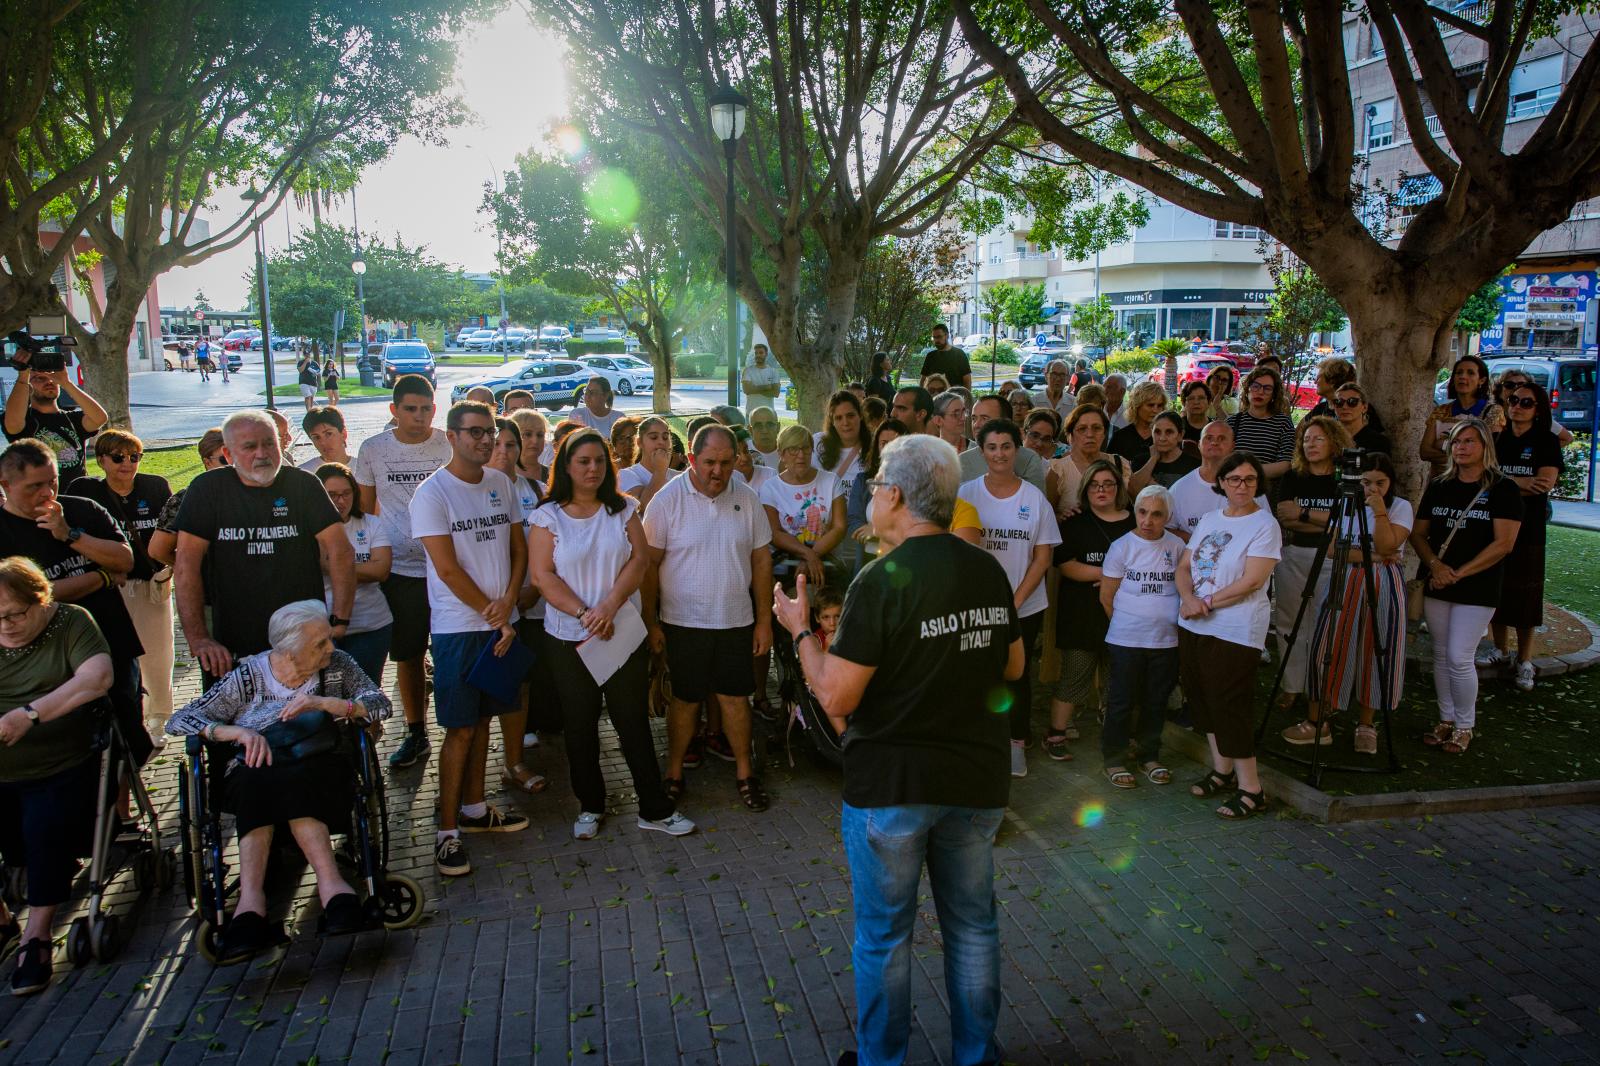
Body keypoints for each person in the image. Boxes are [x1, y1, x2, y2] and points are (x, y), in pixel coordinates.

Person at [770, 433, 1022, 1066]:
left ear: (900, 496)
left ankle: (883, 1060)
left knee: (885, 936)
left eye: (879, 482)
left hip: (894, 788)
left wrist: (801, 629)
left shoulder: (882, 580)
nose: (873, 493)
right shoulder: (985, 568)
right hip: (975, 780)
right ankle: (976, 1055)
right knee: (972, 926)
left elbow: (834, 697)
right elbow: (1014, 665)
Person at [164, 601, 392, 962]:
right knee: (259, 779)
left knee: (292, 778)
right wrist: (234, 732)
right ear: (286, 651)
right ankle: (265, 899)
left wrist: (327, 705)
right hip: (257, 772)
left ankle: (318, 888)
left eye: (328, 640)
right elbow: (181, 719)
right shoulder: (248, 676)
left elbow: (380, 703)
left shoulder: (338, 666)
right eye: (319, 644)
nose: (330, 649)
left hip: (322, 767)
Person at [528, 429, 696, 840]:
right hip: (570, 637)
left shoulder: (624, 510)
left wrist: (608, 606)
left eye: (599, 461)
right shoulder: (546, 517)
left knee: (632, 722)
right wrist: (585, 613)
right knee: (580, 725)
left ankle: (653, 808)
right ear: (566, 466)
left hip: (622, 633)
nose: (592, 469)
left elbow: (639, 560)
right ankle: (590, 805)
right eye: (583, 461)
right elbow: (542, 575)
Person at [411, 400, 532, 877]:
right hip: (459, 630)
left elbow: (518, 549)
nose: (485, 441)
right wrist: (495, 613)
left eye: (491, 433)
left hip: (499, 622)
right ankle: (446, 833)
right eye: (475, 432)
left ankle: (476, 810)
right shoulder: (432, 494)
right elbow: (446, 568)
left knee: (483, 723)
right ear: (452, 436)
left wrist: (508, 605)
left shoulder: (502, 484)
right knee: (459, 729)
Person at [642, 425, 774, 811]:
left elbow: (762, 559)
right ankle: (674, 773)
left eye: (726, 463)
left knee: (736, 700)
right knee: (685, 702)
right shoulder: (667, 502)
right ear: (693, 459)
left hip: (735, 620)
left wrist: (764, 620)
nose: (718, 471)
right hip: (683, 622)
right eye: (710, 462)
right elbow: (648, 566)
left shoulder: (747, 498)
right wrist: (651, 622)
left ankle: (746, 775)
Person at [0, 557, 114, 995]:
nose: (7, 626)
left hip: (60, 762)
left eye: (16, 614)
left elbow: (96, 677)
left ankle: (38, 935)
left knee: (44, 830)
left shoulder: (70, 622)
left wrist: (30, 714)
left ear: (41, 600)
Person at [174, 411, 353, 686]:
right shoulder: (208, 489)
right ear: (228, 453)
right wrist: (199, 639)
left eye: (269, 443)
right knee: (232, 724)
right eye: (249, 446)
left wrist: (339, 618)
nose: (262, 453)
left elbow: (340, 550)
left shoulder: (303, 484)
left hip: (303, 643)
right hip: (232, 645)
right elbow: (186, 565)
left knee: (307, 721)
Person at [1, 440, 149, 763]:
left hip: (113, 641)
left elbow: (125, 561)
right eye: (34, 486)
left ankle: (122, 813)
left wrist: (70, 534)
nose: (47, 493)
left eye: (52, 481)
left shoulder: (82, 509)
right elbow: (30, 597)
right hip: (44, 660)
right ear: (6, 485)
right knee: (73, 746)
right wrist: (101, 578)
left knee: (124, 742)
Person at [354, 375, 454, 769]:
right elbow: (365, 512)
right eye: (410, 409)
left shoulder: (449, 443)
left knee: (449, 653)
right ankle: (416, 732)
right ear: (393, 410)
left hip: (449, 569)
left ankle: (459, 726)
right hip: (399, 570)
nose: (419, 416)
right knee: (409, 655)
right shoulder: (373, 449)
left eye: (426, 408)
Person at [1176, 451, 1281, 818]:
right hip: (1194, 621)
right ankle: (1222, 770)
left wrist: (1205, 602)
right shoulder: (1209, 518)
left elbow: (1253, 580)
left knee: (1230, 705)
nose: (1242, 485)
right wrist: (1189, 598)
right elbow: (1185, 565)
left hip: (1236, 629)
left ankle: (1252, 788)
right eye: (1234, 479)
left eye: (1249, 479)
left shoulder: (1264, 525)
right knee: (1202, 699)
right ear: (1221, 482)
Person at [1410, 418, 1521, 755]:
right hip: (1439, 581)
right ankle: (1445, 719)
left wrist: (1459, 573)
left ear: (1485, 446)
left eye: (1469, 441)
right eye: (1456, 441)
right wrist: (1435, 565)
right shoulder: (1441, 485)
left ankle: (1464, 725)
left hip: (1477, 587)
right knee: (1441, 655)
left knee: (1460, 656)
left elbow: (1504, 544)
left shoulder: (1503, 488)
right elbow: (1418, 533)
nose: (1461, 447)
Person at [959, 419, 1060, 777]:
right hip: (977, 609)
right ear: (981, 451)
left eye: (1006, 446)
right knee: (978, 676)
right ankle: (981, 743)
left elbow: (1043, 558)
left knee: (1016, 677)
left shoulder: (1034, 499)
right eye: (991, 447)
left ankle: (1016, 744)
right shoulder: (966, 493)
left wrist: (1013, 602)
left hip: (1024, 606)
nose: (999, 453)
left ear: (1017, 450)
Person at [66, 429, 175, 734]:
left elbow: (173, 530)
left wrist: (171, 568)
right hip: (111, 585)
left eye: (133, 457)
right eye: (117, 457)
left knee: (158, 653)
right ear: (101, 460)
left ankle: (158, 717)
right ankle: (131, 715)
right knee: (121, 654)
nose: (126, 463)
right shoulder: (87, 494)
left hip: (152, 584)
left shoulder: (154, 488)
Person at [1304, 453, 1412, 755]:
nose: (1373, 489)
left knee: (1376, 650)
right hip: (1345, 580)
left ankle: (1366, 724)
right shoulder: (1346, 504)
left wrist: (1379, 513)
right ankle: (1322, 715)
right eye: (1366, 482)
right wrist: (1374, 555)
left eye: (1380, 482)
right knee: (1328, 644)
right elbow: (1333, 552)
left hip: (1383, 586)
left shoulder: (1400, 507)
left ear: (1391, 482)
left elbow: (1390, 544)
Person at [1045, 460, 1133, 762]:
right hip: (1081, 614)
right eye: (1095, 485)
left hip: (1124, 616)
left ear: (1118, 488)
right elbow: (1066, 565)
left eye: (1108, 484)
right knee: (1074, 676)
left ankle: (1114, 732)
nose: (1102, 490)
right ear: (1086, 490)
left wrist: (1115, 581)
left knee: (1117, 677)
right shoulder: (1074, 523)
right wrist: (1107, 576)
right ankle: (1055, 733)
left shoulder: (1133, 522)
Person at [1098, 484, 1185, 787]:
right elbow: (1107, 596)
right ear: (1135, 512)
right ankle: (1114, 759)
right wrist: (1130, 625)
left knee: (1155, 701)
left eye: (1157, 514)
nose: (1148, 521)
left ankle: (1149, 755)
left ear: (1168, 516)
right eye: (1143, 512)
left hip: (1166, 641)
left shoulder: (1176, 547)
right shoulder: (1122, 546)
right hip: (1126, 640)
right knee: (1121, 701)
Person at [1272, 417, 1351, 741]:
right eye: (1306, 439)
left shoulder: (1345, 478)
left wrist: (1304, 515)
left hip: (1334, 561)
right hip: (1295, 555)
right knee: (1290, 622)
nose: (1310, 444)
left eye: (1318, 438)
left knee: (1326, 629)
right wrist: (1323, 521)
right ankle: (1292, 686)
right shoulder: (1293, 476)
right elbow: (1284, 516)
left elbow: (1347, 522)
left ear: (1333, 442)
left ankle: (1321, 694)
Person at [1481, 382, 1564, 691]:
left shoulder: (1546, 441)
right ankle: (1500, 649)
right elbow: (1485, 477)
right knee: (1496, 588)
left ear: (1539, 408)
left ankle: (1525, 660)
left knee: (1527, 595)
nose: (1516, 406)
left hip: (1529, 529)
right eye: (1513, 400)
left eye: (1525, 402)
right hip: (1494, 525)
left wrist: (1504, 480)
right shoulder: (1497, 440)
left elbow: (1544, 483)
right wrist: (1518, 481)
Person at [485, 417, 545, 793]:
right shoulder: (467, 490)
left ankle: (513, 761)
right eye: (497, 445)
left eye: (511, 446)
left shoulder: (534, 489)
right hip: (479, 610)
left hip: (523, 606)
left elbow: (547, 545)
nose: (504, 453)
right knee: (480, 694)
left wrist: (534, 588)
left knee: (518, 687)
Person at [314, 464, 393, 688]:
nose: (340, 501)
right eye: (332, 495)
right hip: (323, 627)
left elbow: (381, 570)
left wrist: (333, 565)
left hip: (371, 625)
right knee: (329, 694)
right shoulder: (308, 529)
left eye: (346, 494)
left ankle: (374, 725)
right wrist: (361, 568)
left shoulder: (371, 524)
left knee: (368, 691)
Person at [2, 350, 109, 489]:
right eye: (39, 379)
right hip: (40, 497)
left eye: (52, 378)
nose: (49, 382)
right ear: (28, 386)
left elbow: (100, 418)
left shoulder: (72, 419)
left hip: (78, 497)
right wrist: (23, 375)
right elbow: (13, 423)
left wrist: (66, 383)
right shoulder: (25, 420)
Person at [762, 423, 848, 586]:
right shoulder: (770, 487)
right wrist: (807, 555)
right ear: (781, 453)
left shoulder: (831, 481)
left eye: (806, 448)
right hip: (787, 570)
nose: (801, 455)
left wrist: (813, 555)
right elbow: (774, 533)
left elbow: (839, 527)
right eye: (793, 449)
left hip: (828, 566)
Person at [1167, 421, 1268, 541]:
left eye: (1222, 438)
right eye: (1208, 438)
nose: (1214, 443)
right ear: (1199, 445)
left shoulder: (1248, 486)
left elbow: (1265, 528)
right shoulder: (1180, 488)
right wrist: (1199, 542)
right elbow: (1165, 529)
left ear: (1232, 446)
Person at [148, 429, 227, 568]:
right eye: (225, 459)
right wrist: (196, 571)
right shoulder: (184, 498)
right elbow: (158, 550)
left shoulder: (256, 491)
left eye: (239, 456)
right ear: (207, 462)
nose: (233, 463)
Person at [1420, 355, 1501, 477]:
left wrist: (1441, 444)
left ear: (1482, 380)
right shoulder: (1440, 411)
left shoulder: (1492, 411)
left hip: (1475, 483)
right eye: (1459, 373)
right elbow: (1425, 452)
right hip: (1440, 483)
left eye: (1470, 373)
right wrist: (1464, 454)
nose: (1463, 377)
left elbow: (1488, 453)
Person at [1045, 405, 1130, 519]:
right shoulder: (1058, 470)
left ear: (1104, 433)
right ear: (1071, 435)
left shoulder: (1119, 464)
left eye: (1096, 428)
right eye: (1082, 429)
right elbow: (1045, 515)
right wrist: (1061, 518)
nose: (1090, 434)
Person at [846, 419, 906, 566]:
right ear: (877, 446)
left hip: (904, 561)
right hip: (868, 559)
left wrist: (876, 530)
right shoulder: (862, 480)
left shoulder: (916, 483)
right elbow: (853, 520)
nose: (889, 449)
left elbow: (914, 524)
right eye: (884, 443)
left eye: (895, 444)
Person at [1226, 367, 1296, 480]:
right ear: (1247, 389)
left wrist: (1248, 474)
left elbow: (1285, 464)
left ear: (1274, 394)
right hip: (1234, 488)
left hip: (1267, 491)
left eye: (1267, 388)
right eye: (1255, 386)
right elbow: (1222, 459)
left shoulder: (1283, 423)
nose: (1260, 392)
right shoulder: (1232, 422)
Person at [816, 390, 867, 499]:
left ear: (860, 415)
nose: (845, 423)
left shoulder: (875, 446)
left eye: (850, 416)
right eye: (838, 418)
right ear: (832, 422)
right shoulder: (817, 443)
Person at [1108, 380, 1168, 470]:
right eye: (1150, 405)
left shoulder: (1167, 437)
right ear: (1137, 406)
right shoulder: (1120, 437)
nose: (1155, 410)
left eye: (1159, 406)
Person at [616, 416, 675, 508]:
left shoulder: (678, 476)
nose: (661, 442)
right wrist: (659, 472)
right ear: (639, 442)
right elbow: (642, 507)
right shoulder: (626, 474)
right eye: (654, 437)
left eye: (665, 437)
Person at [1138, 411, 1200, 488]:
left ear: (1180, 435)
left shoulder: (1195, 467)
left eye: (1169, 432)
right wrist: (1153, 459)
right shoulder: (1141, 461)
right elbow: (1132, 491)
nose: (1162, 438)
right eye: (1157, 432)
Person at [1330, 383, 1392, 455]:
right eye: (1339, 402)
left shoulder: (1379, 442)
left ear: (1365, 407)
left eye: (1352, 402)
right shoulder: (1328, 439)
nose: (1344, 407)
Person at [1303, 356, 1358, 422]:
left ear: (1332, 381)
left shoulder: (1356, 409)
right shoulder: (1320, 409)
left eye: (1318, 378)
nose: (1315, 382)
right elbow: (1300, 430)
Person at [299, 406, 353, 472]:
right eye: (316, 437)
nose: (322, 442)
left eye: (329, 434)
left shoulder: (364, 467)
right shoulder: (304, 473)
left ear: (344, 434)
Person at [921, 324, 972, 390]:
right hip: (935, 398)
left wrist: (966, 398)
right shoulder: (930, 356)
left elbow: (967, 380)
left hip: (955, 398)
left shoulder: (959, 354)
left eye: (939, 337)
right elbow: (923, 380)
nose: (936, 340)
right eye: (934, 337)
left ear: (947, 336)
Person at [508, 407, 550, 484]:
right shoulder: (502, 475)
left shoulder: (554, 476)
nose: (535, 441)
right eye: (527, 434)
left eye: (540, 435)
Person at [741, 344, 784, 411]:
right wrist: (767, 387)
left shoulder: (773, 372)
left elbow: (776, 393)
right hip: (751, 413)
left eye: (761, 353)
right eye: (756, 353)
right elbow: (747, 390)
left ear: (766, 354)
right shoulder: (747, 371)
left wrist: (754, 388)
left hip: (769, 413)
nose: (758, 355)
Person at [812, 585, 844, 651]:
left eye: (837, 616)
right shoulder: (815, 640)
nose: (832, 623)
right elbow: (815, 661)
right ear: (817, 618)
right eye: (826, 617)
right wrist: (827, 649)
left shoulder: (850, 634)